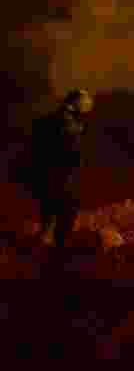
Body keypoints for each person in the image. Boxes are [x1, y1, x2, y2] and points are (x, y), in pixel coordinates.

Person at [16, 90, 94, 254]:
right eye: (86, 102)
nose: (89, 105)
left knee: (54, 210)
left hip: (56, 173)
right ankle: (53, 247)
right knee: (62, 210)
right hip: (58, 174)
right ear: (74, 103)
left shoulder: (63, 119)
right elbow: (67, 146)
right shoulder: (65, 121)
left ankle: (49, 243)